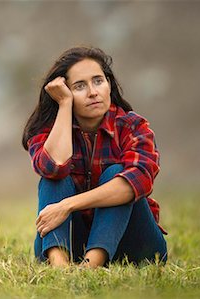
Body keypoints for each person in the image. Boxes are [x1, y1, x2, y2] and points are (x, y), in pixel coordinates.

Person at [21, 46, 167, 268]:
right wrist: (64, 106)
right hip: (73, 243)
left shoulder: (133, 127)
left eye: (98, 81)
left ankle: (91, 266)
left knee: (116, 175)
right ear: (64, 92)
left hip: (135, 244)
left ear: (109, 84)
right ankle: (59, 266)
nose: (92, 92)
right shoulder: (48, 131)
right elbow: (53, 167)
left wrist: (67, 205)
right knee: (55, 178)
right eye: (79, 86)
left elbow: (137, 182)